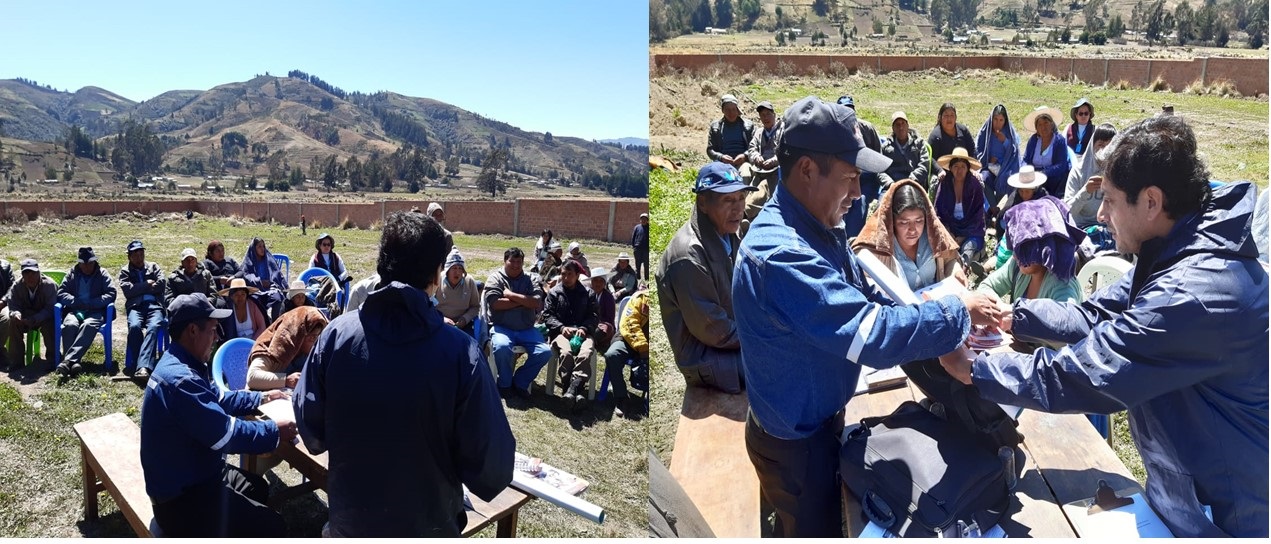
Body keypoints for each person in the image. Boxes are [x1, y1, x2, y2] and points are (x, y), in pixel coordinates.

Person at [940, 115, 1268, 538]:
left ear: (1151, 202)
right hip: (1187, 482)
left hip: (1224, 511)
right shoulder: (1178, 250)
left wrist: (976, 371)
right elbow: (1096, 314)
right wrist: (1014, 315)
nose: (1101, 214)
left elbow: (1088, 373)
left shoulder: (1190, 292)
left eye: (1110, 201)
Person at [733, 96, 1004, 538]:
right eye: (850, 177)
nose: (859, 193)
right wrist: (956, 314)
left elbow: (869, 292)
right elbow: (871, 333)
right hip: (796, 446)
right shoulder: (781, 255)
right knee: (811, 529)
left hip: (818, 420)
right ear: (806, 170)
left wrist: (941, 336)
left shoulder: (818, 227)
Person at [295, 211, 514, 537]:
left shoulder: (335, 336)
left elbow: (311, 432)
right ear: (437, 274)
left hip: (350, 525)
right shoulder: (461, 354)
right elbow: (492, 472)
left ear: (382, 264)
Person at [141, 293, 295, 537]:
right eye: (213, 330)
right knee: (275, 526)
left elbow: (221, 398)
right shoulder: (182, 381)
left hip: (196, 475)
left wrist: (263, 397)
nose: (216, 338)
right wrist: (274, 431)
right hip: (181, 500)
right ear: (193, 330)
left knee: (256, 488)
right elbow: (226, 435)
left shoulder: (182, 362)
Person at [656, 162, 756, 394]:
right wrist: (761, 334)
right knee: (782, 366)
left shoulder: (728, 230)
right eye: (727, 200)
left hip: (729, 338)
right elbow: (715, 332)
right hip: (706, 358)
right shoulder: (688, 256)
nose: (738, 208)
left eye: (741, 198)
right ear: (703, 203)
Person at [976, 197, 1085, 327]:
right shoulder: (1017, 266)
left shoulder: (1063, 285)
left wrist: (1017, 318)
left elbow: (1067, 327)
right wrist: (1001, 310)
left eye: (1025, 250)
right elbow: (987, 286)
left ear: (1043, 250)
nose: (1016, 256)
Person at [850, 179, 967, 292]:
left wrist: (955, 270)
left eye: (919, 221)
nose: (912, 230)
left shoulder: (934, 237)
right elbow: (864, 279)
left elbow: (949, 260)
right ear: (892, 221)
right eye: (904, 222)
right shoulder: (877, 250)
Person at [484, 248, 552, 398]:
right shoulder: (496, 278)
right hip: (502, 327)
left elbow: (535, 302)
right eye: (512, 261)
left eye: (519, 262)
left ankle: (520, 382)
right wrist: (523, 301)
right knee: (501, 347)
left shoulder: (530, 278)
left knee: (545, 352)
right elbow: (495, 304)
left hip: (526, 328)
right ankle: (505, 383)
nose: (515, 265)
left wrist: (510, 295)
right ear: (505, 261)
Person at [544, 260, 599, 405]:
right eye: (563, 274)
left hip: (583, 333)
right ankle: (576, 390)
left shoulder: (588, 293)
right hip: (560, 333)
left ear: (577, 275)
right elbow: (548, 315)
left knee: (586, 352)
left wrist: (584, 328)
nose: (566, 278)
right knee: (566, 353)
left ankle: (571, 389)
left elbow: (593, 316)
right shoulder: (554, 293)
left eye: (570, 274)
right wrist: (561, 327)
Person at [836, 95, 891, 238]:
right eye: (843, 111)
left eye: (850, 111)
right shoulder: (833, 132)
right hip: (842, 179)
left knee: (859, 201)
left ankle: (854, 240)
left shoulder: (867, 129)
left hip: (867, 179)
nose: (847, 115)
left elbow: (879, 159)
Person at [58, 247, 117, 376]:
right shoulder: (72, 274)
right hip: (75, 310)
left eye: (90, 263)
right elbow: (61, 292)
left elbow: (111, 293)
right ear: (79, 263)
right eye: (83, 264)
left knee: (88, 325)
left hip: (95, 311)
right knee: (69, 325)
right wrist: (75, 301)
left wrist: (93, 303)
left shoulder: (102, 274)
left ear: (94, 262)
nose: (87, 267)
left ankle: (68, 361)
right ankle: (75, 363)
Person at [246, 305, 328, 390]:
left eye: (318, 336)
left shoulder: (306, 352)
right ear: (298, 335)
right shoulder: (270, 349)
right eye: (312, 337)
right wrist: (286, 380)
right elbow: (252, 378)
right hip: (263, 398)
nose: (316, 342)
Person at [119, 240, 167, 381]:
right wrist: (146, 284)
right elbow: (128, 291)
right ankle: (140, 365)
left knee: (153, 327)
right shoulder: (125, 271)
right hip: (136, 306)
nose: (139, 257)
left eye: (141, 253)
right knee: (134, 326)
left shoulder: (153, 266)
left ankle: (142, 367)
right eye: (135, 254)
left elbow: (161, 284)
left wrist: (137, 288)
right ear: (129, 257)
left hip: (154, 305)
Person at [933, 147, 988, 266]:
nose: (959, 171)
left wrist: (963, 236)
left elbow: (978, 216)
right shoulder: (945, 184)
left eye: (963, 167)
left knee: (968, 246)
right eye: (956, 167)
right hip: (950, 228)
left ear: (968, 169)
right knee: (942, 243)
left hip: (971, 230)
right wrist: (948, 232)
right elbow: (938, 212)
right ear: (951, 169)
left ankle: (965, 263)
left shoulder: (975, 185)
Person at [4, 259, 56, 372]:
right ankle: (16, 361)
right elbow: (13, 304)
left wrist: (34, 319)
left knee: (50, 324)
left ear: (39, 273)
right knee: (12, 322)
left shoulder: (49, 285)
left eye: (33, 273)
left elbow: (50, 308)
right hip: (25, 316)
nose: (30, 277)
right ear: (22, 275)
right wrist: (16, 314)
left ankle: (52, 360)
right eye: (26, 273)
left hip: (43, 317)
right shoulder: (17, 286)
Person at [1063, 123, 1118, 229]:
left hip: (1110, 228)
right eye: (1101, 145)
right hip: (1081, 227)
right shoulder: (1078, 172)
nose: (1105, 150)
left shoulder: (1119, 173)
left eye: (1110, 146)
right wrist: (1085, 191)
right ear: (1092, 146)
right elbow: (1067, 212)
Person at [742, 101, 783, 234]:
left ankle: (744, 215)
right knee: (750, 188)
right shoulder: (759, 132)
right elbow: (751, 148)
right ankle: (743, 216)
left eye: (768, 114)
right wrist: (756, 158)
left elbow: (785, 151)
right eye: (762, 115)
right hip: (759, 170)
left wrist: (773, 161)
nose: (765, 117)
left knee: (761, 190)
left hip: (776, 172)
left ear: (774, 115)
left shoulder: (783, 130)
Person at [603, 288, 648, 410]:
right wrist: (643, 347)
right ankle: (621, 396)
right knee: (612, 355)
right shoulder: (641, 298)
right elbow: (630, 323)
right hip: (628, 339)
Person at [975, 104, 1022, 207]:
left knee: (1008, 179)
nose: (998, 123)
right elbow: (979, 149)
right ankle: (992, 208)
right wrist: (989, 160)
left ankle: (1002, 209)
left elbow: (1014, 152)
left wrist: (1005, 141)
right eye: (995, 119)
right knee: (983, 178)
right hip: (989, 168)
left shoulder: (1009, 132)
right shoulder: (986, 131)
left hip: (1005, 168)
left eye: (1001, 120)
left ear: (1005, 120)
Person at [1021, 105, 1072, 197]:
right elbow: (1025, 159)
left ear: (1052, 124)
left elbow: (1061, 166)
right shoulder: (1033, 140)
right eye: (1039, 124)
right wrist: (1025, 170)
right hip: (1034, 176)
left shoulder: (1059, 140)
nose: (1043, 127)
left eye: (1046, 123)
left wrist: (1043, 173)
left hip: (1053, 179)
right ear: (1036, 128)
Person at [880, 110, 932, 190]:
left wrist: (910, 180)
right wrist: (890, 184)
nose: (901, 127)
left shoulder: (919, 144)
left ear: (908, 126)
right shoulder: (886, 147)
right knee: (882, 202)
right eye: (897, 125)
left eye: (903, 123)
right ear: (893, 128)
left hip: (914, 185)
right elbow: (880, 171)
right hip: (892, 186)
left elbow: (924, 166)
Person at [927, 102, 977, 182]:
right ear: (940, 117)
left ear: (956, 117)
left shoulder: (963, 130)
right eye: (946, 116)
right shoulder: (936, 136)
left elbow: (972, 149)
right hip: (944, 173)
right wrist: (939, 171)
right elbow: (930, 158)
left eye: (952, 115)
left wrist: (972, 168)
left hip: (964, 170)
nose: (949, 119)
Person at [436, 248, 480, 337]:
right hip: (439, 323)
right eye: (454, 268)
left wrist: (465, 319)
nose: (457, 272)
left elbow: (475, 307)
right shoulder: (437, 280)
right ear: (447, 270)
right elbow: (428, 306)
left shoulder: (469, 281)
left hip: (462, 325)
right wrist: (442, 319)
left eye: (460, 268)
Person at [707, 94, 758, 172]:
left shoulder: (748, 126)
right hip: (722, 163)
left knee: (745, 174)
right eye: (727, 109)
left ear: (737, 110)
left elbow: (755, 147)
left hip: (743, 163)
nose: (731, 113)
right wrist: (721, 157)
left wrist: (745, 156)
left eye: (733, 109)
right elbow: (710, 150)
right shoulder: (715, 127)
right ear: (722, 110)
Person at [242, 237, 286, 322]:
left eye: (263, 246)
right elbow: (245, 275)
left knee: (277, 297)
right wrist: (259, 282)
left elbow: (276, 273)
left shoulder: (268, 259)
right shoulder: (249, 261)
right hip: (255, 289)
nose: (262, 249)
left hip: (270, 288)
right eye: (259, 247)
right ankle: (263, 323)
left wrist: (271, 282)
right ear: (254, 249)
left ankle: (275, 323)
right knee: (256, 299)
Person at [587, 267, 617, 355]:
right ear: (591, 282)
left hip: (602, 325)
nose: (598, 284)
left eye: (601, 281)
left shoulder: (608, 297)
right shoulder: (587, 295)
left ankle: (592, 341)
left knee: (604, 330)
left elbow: (609, 318)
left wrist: (597, 323)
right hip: (589, 323)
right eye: (595, 281)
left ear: (604, 283)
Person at [0, 258, 14, 350]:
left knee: (7, 317)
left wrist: (3, 301)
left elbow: (12, 288)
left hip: (2, 305)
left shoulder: (5, 266)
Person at [632, 214, 650, 281]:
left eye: (645, 219)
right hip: (638, 249)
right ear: (640, 220)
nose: (643, 220)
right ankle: (638, 278)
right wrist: (634, 247)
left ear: (647, 220)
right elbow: (633, 238)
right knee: (638, 265)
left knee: (646, 265)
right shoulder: (637, 227)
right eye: (642, 219)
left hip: (646, 250)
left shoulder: (649, 227)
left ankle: (647, 279)